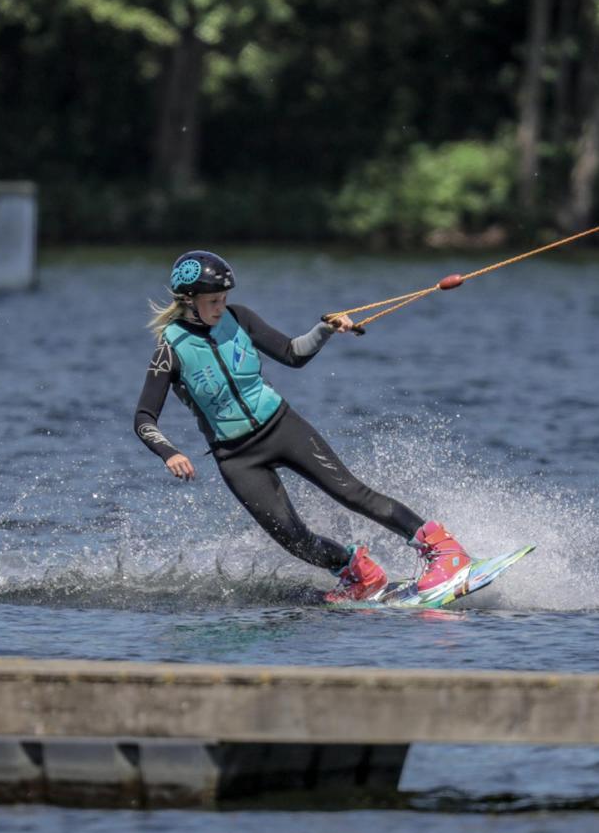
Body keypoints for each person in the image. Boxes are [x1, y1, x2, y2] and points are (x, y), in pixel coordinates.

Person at [133, 250, 471, 603]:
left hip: (281, 427)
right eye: (213, 301)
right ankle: (356, 571)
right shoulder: (169, 351)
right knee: (292, 538)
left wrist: (324, 328)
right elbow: (143, 418)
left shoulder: (239, 318)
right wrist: (168, 452)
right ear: (189, 302)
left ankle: (444, 551)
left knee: (352, 493)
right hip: (236, 457)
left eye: (224, 298)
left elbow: (293, 354)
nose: (221, 306)